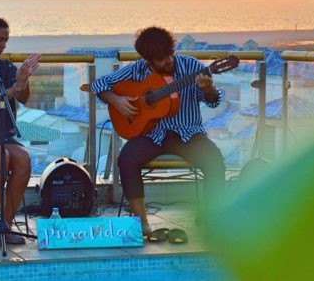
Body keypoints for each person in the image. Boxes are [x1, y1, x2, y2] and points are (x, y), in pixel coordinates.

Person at [92, 26, 225, 236]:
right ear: (149, 60)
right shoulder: (138, 69)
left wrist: (208, 89)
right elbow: (99, 84)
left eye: (169, 55)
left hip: (187, 134)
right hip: (152, 134)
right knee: (126, 158)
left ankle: (213, 217)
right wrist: (116, 100)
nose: (168, 61)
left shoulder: (191, 66)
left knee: (214, 159)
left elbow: (214, 101)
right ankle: (141, 222)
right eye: (161, 59)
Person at [0, 17, 40, 246]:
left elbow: (22, 97)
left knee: (22, 159)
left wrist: (23, 80)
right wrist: (13, 88)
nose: (3, 45)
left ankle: (6, 226)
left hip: (1, 133)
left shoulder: (5, 67)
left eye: (5, 40)